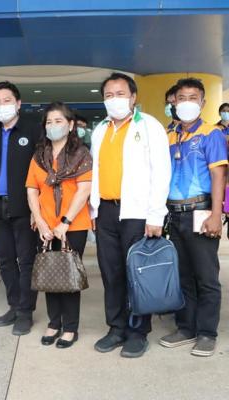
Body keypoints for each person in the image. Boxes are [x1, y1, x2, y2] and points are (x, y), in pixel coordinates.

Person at [90, 72, 171, 358]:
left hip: (137, 212)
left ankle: (138, 332)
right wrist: (93, 209)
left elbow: (162, 172)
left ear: (133, 97)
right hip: (106, 210)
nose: (115, 100)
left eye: (120, 94)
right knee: (110, 273)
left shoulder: (149, 126)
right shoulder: (100, 129)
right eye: (109, 95)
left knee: (137, 274)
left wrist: (156, 215)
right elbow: (96, 170)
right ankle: (116, 328)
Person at [159, 78, 228, 357]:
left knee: (206, 276)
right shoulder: (168, 135)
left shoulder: (212, 134)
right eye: (181, 98)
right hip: (173, 214)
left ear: (202, 102)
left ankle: (207, 333)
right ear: (173, 102)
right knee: (183, 275)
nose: (186, 103)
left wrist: (216, 214)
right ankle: (186, 328)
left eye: (193, 98)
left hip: (201, 211)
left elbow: (218, 175)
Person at [26, 102, 92, 348]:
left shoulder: (81, 154)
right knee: (49, 274)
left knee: (68, 276)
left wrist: (65, 222)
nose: (53, 126)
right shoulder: (39, 155)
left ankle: (70, 327)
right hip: (44, 226)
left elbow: (83, 190)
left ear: (71, 125)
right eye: (49, 122)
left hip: (73, 226)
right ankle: (54, 323)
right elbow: (32, 190)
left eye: (59, 121)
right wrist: (40, 221)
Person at [0, 81, 39, 336]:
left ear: (18, 103)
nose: (1, 105)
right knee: (5, 261)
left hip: (25, 207)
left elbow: (42, 170)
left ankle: (25, 312)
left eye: (7, 100)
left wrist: (39, 210)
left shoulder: (33, 130)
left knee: (26, 261)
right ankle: (14, 306)